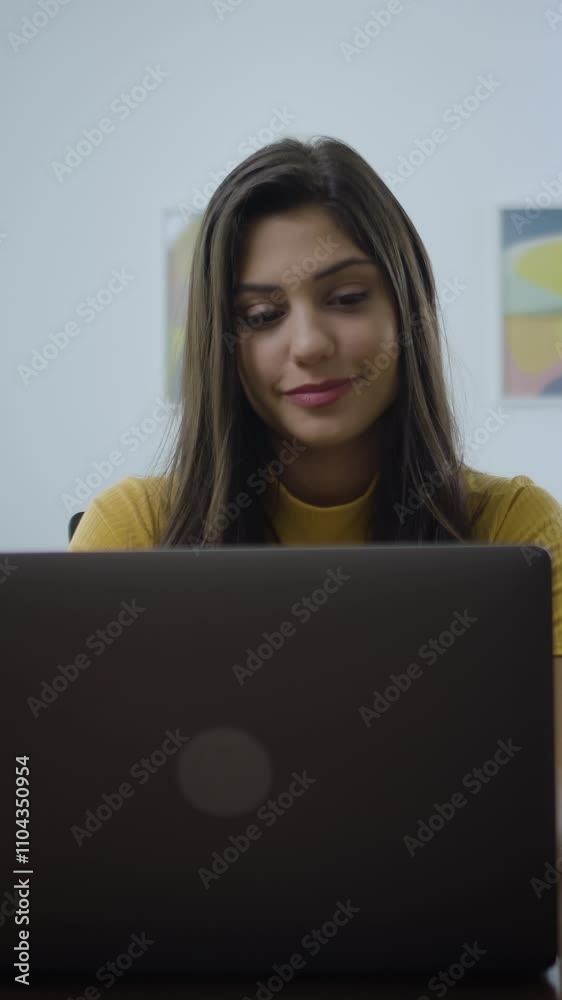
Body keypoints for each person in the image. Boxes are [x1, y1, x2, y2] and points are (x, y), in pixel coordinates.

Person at [69, 134, 562, 773]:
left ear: (407, 311)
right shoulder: (132, 530)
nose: (307, 344)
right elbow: (51, 807)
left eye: (347, 299)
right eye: (261, 314)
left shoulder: (514, 530)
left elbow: (548, 818)